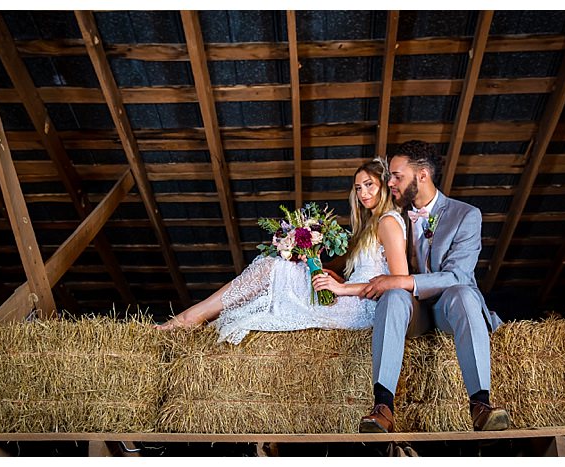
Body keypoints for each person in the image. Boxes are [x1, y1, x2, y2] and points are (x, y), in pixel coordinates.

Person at [155, 159, 409, 345]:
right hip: (353, 298)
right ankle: (197, 321)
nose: (363, 193)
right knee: (284, 269)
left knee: (272, 268)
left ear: (385, 186)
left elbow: (399, 284)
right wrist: (334, 277)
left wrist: (342, 289)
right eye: (358, 188)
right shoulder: (369, 227)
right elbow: (368, 274)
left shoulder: (388, 222)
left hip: (361, 311)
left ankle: (190, 318)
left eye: (369, 185)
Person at [358, 140, 510, 433]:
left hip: (448, 309)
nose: (390, 182)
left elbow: (459, 276)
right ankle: (383, 407)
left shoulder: (465, 215)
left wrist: (402, 280)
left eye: (397, 176)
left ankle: (481, 405)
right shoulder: (393, 216)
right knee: (391, 298)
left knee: (465, 293)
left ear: (423, 175)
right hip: (412, 313)